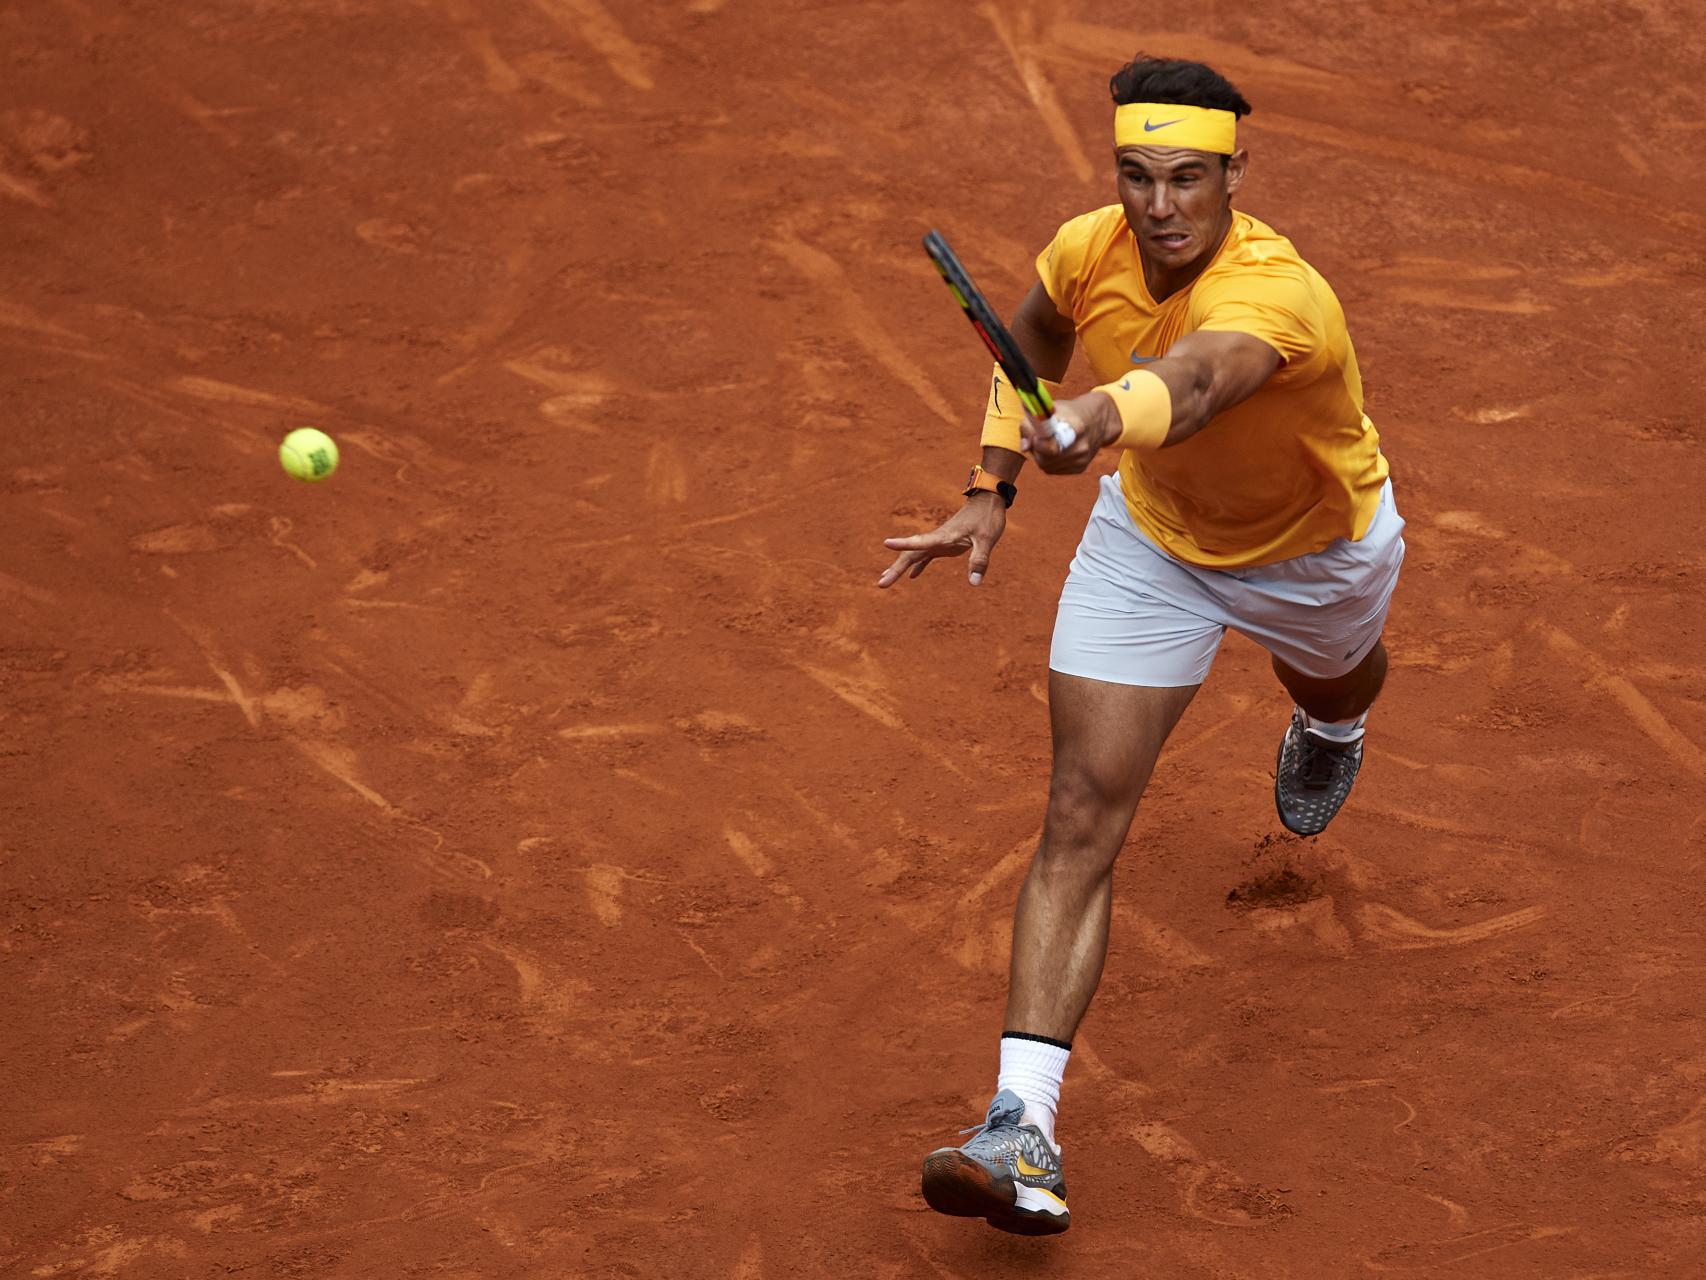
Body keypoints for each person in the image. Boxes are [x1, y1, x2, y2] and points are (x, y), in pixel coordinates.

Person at [877, 54, 1404, 1236]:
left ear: (1232, 174)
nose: (1158, 205)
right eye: (1135, 176)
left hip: (1313, 553)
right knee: (1078, 806)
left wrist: (1099, 417)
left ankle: (1332, 721)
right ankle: (1020, 1120)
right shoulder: (1087, 246)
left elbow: (1199, 379)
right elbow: (1034, 331)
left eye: (1186, 178)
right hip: (1151, 543)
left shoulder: (1281, 295)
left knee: (1332, 672)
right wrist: (993, 481)